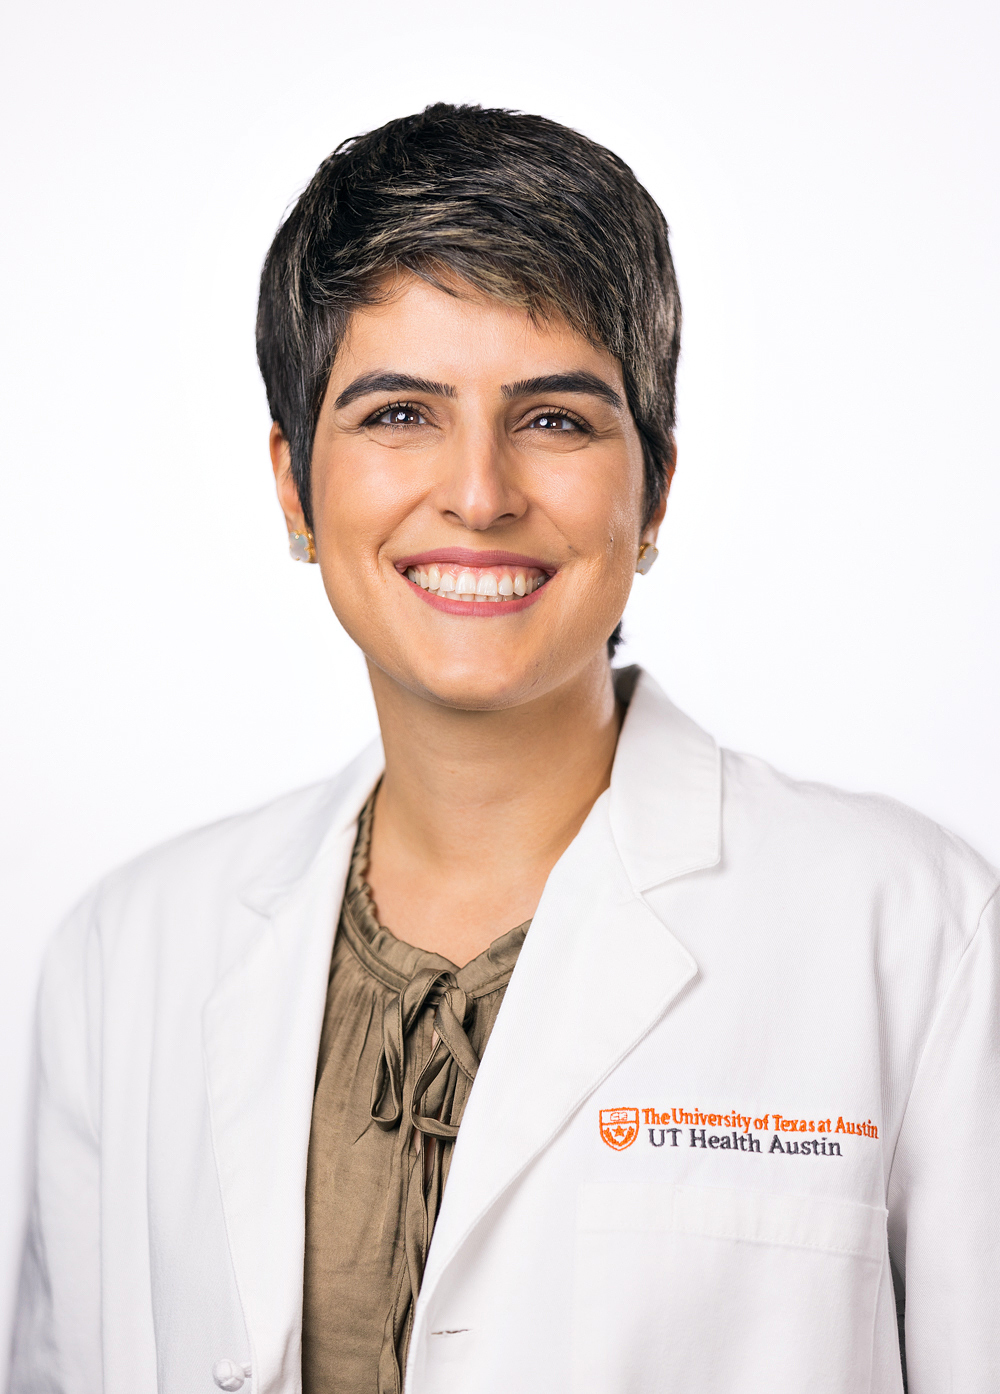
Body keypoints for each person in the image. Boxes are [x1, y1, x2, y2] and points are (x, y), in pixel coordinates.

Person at [11, 103, 998, 1394]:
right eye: (399, 413)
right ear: (295, 487)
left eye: (554, 420)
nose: (478, 493)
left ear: (656, 491)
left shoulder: (918, 939)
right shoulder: (125, 955)